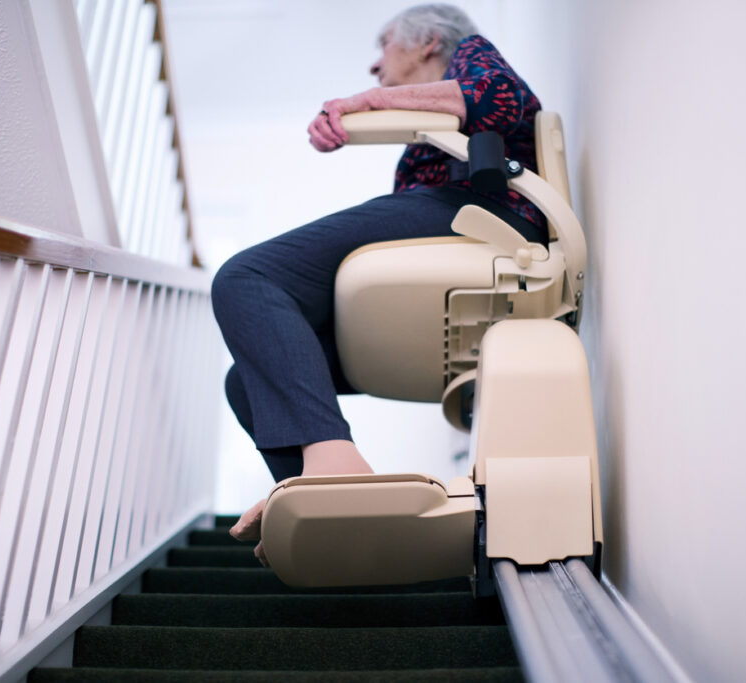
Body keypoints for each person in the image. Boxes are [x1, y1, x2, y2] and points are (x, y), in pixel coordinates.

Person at [211, 4, 547, 561]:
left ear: (427, 42)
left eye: (385, 44)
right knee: (245, 381)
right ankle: (335, 526)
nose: (374, 66)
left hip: (482, 212)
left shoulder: (470, 54)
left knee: (247, 276)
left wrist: (362, 105)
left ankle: (333, 467)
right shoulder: (432, 116)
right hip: (452, 219)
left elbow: (499, 95)